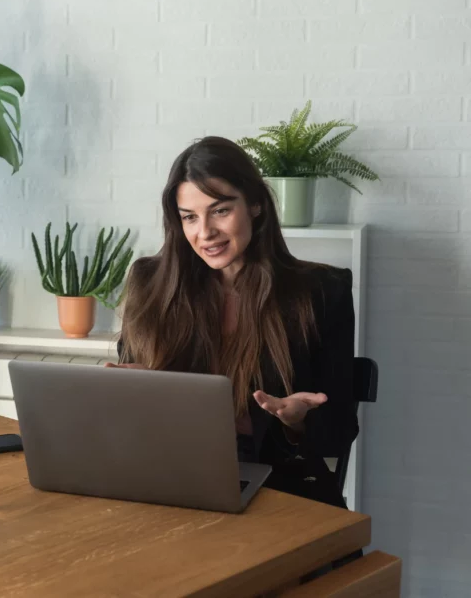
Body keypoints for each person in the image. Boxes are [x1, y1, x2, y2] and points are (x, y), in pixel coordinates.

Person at [109, 136, 358, 509]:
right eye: (189, 217)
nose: (204, 232)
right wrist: (138, 388)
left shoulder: (322, 292)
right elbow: (131, 422)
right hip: (166, 480)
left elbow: (339, 430)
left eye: (220, 210)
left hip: (278, 485)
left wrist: (296, 422)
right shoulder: (150, 283)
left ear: (256, 204)